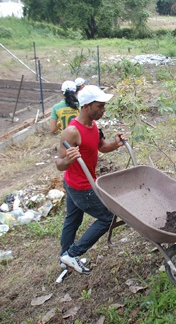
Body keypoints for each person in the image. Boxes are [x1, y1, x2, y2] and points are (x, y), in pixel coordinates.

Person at [56, 85, 127, 274]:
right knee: (108, 217)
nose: (103, 110)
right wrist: (67, 159)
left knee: (73, 220)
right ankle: (72, 254)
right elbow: (59, 163)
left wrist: (116, 143)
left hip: (80, 182)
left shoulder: (93, 125)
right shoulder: (72, 131)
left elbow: (101, 146)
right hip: (80, 187)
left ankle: (65, 258)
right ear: (86, 106)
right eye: (100, 106)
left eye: (103, 106)